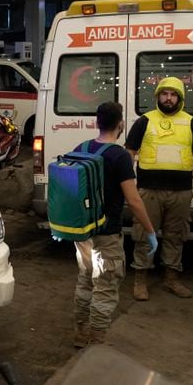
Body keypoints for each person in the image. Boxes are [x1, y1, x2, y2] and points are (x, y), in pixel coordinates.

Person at [71, 102, 157, 347]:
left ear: (97, 123)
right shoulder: (119, 156)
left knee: (85, 280)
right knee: (105, 287)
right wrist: (150, 231)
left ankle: (80, 333)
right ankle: (96, 341)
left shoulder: (82, 148)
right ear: (120, 124)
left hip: (83, 233)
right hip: (107, 234)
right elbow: (133, 200)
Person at [126, 77, 193, 301]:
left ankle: (171, 279)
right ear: (158, 97)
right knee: (144, 235)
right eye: (164, 94)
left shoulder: (191, 123)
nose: (168, 98)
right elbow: (129, 153)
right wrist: (127, 182)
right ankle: (140, 279)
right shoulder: (144, 121)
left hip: (180, 192)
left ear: (180, 98)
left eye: (173, 94)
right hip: (148, 191)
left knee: (176, 236)